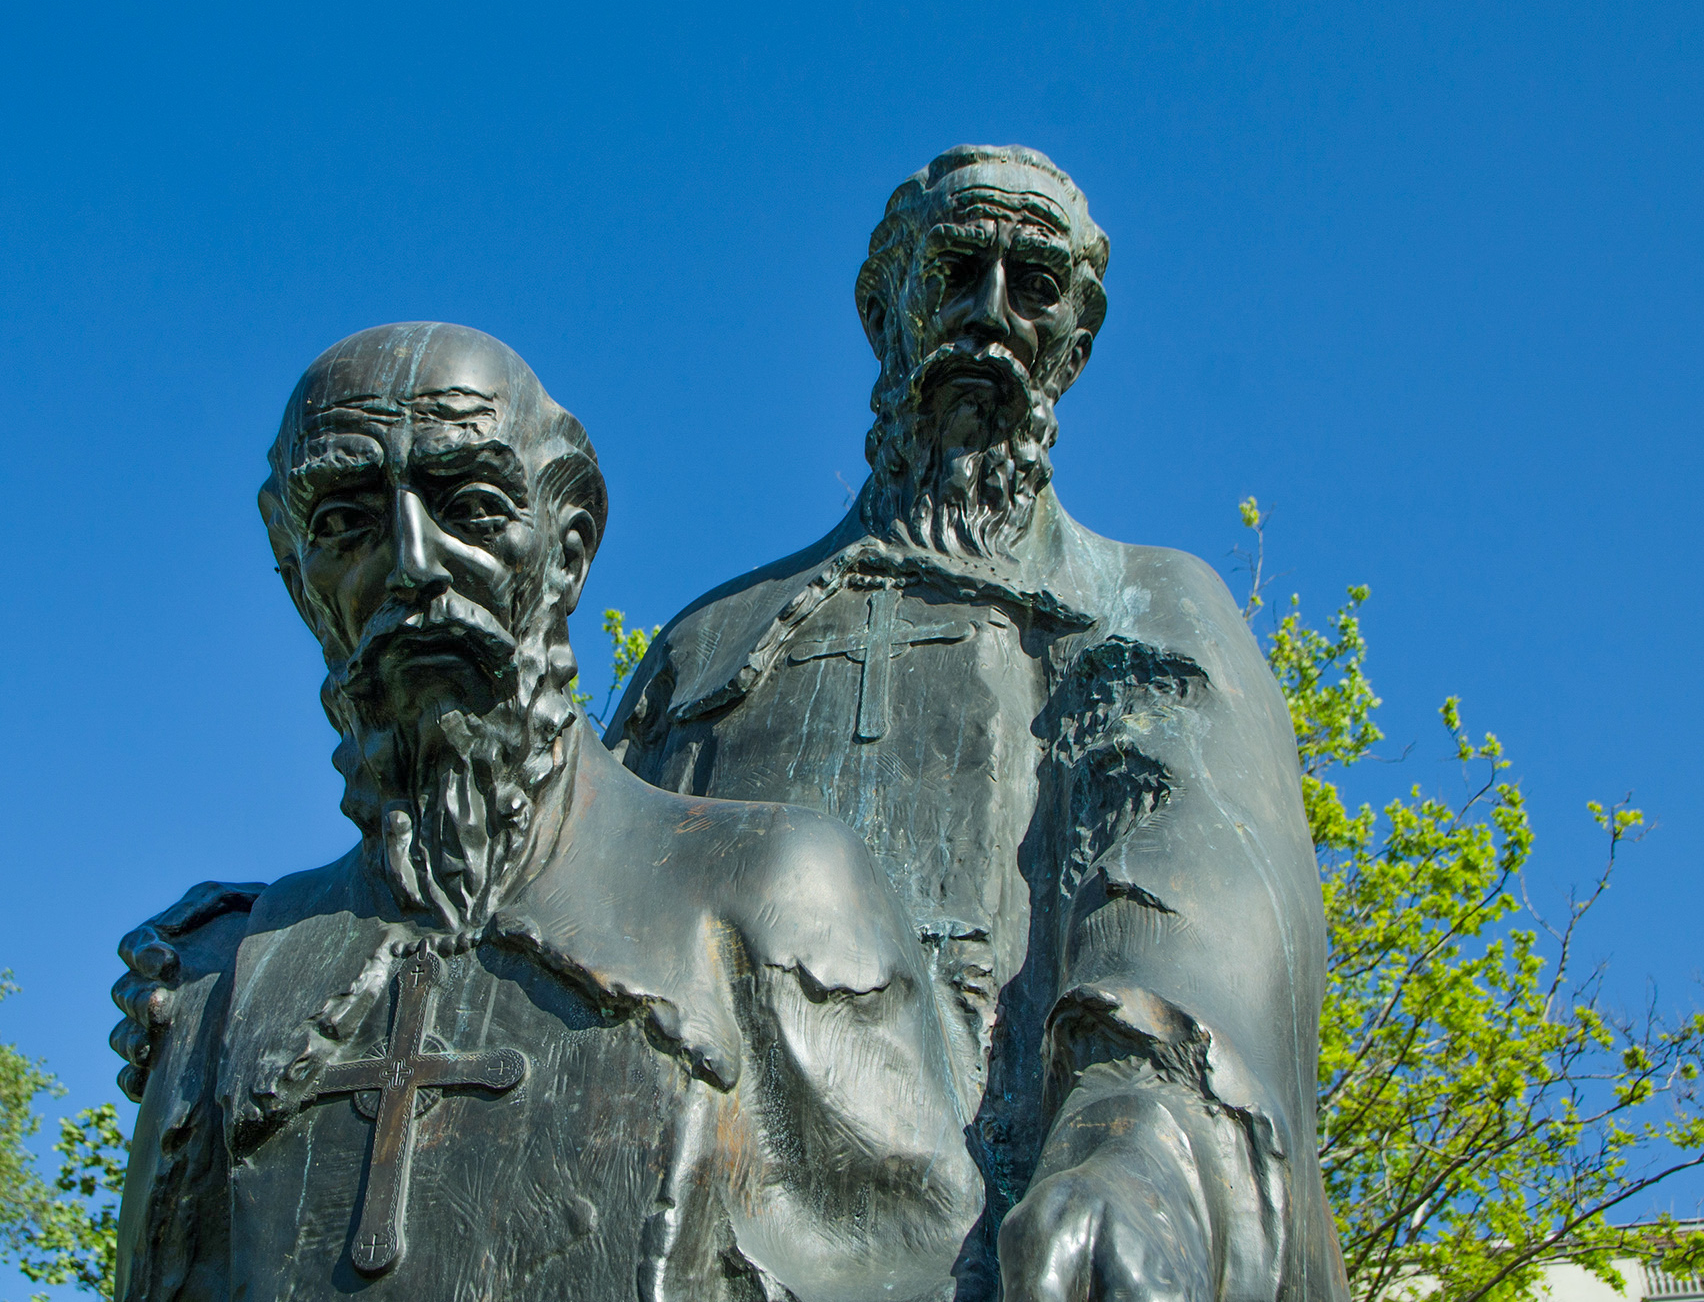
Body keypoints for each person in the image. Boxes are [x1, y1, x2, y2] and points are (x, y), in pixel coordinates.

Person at [108, 322, 982, 1302]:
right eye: (344, 523)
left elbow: (916, 1271)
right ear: (294, 573)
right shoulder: (214, 983)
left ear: (566, 548)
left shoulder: (769, 891)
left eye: (469, 508)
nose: (409, 566)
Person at [608, 147, 1348, 1302]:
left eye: (1032, 284)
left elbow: (1197, 888)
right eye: (954, 271)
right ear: (879, 311)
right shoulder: (709, 645)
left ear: (1077, 339)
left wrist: (1136, 1129)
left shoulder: (1146, 607)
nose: (988, 315)